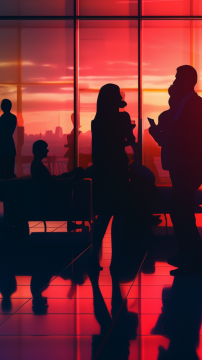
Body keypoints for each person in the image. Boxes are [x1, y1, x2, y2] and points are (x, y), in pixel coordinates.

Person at [149, 66, 202, 276]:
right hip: (184, 166)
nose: (174, 81)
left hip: (188, 166)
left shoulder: (196, 106)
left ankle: (192, 257)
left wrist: (162, 135)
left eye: (177, 78)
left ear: (186, 81)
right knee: (181, 211)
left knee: (181, 211)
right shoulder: (185, 106)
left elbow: (185, 139)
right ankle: (189, 254)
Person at [87, 84, 136, 271]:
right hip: (119, 170)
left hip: (103, 171)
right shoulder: (123, 117)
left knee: (104, 215)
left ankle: (94, 255)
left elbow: (100, 149)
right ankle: (115, 259)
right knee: (120, 215)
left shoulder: (96, 121)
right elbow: (129, 142)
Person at [0, 99, 17, 179]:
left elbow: (4, 134)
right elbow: (8, 133)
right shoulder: (13, 117)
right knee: (10, 172)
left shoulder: (3, 117)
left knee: (1, 172)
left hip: (0, 148)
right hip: (9, 147)